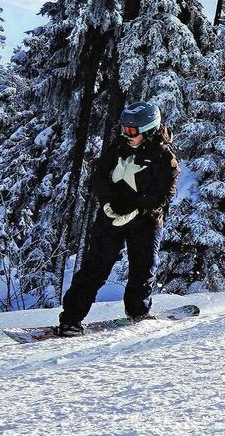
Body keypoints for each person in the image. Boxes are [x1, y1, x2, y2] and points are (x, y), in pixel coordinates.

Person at [55, 100, 177, 337]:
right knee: (94, 268)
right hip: (111, 217)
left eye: (132, 131)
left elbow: (164, 193)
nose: (127, 135)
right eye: (124, 129)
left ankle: (137, 313)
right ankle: (70, 319)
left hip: (146, 220)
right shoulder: (117, 148)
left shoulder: (164, 158)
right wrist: (108, 203)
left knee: (142, 270)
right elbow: (100, 177)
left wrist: (137, 209)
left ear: (149, 129)